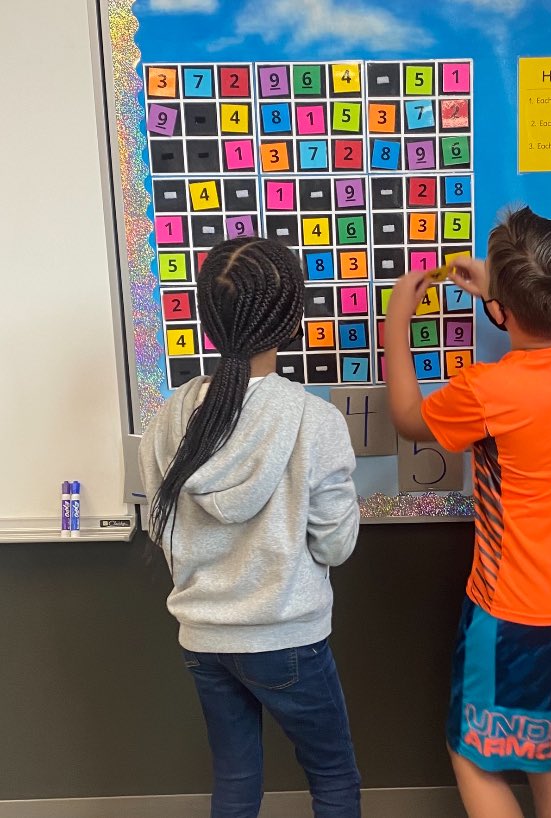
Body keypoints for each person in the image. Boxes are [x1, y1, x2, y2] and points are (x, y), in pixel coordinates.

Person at [384, 207, 551, 818]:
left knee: (475, 754)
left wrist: (396, 325)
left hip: (515, 608)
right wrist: (501, 285)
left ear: (502, 312)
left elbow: (409, 421)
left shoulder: (488, 389)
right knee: (547, 748)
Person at [139, 237, 361, 818]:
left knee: (236, 782)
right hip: (288, 636)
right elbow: (335, 543)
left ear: (208, 320)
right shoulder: (315, 419)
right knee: (333, 777)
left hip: (204, 636)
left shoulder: (169, 416)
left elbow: (165, 532)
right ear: (292, 318)